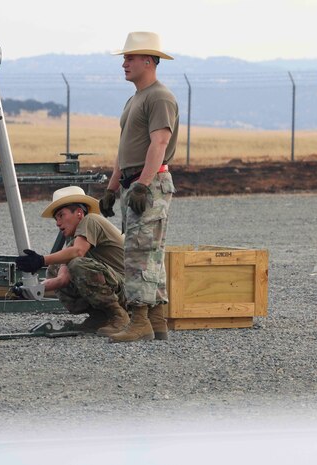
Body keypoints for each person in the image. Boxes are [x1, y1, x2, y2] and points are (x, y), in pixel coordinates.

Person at [99, 31, 179, 343]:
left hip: (149, 183)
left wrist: (144, 185)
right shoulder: (136, 99)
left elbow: (159, 142)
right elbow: (125, 148)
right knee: (147, 253)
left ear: (149, 60)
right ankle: (157, 322)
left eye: (130, 58)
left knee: (139, 255)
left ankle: (140, 321)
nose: (124, 63)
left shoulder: (159, 97)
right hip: (134, 184)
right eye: (124, 58)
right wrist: (112, 186)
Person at [15, 186, 130, 335]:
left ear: (79, 213)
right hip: (117, 287)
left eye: (61, 215)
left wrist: (41, 260)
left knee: (76, 264)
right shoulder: (75, 239)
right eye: (56, 218)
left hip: (130, 292)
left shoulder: (91, 220)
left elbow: (78, 252)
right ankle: (100, 316)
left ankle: (119, 316)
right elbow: (62, 279)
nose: (57, 223)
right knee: (55, 267)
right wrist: (32, 288)